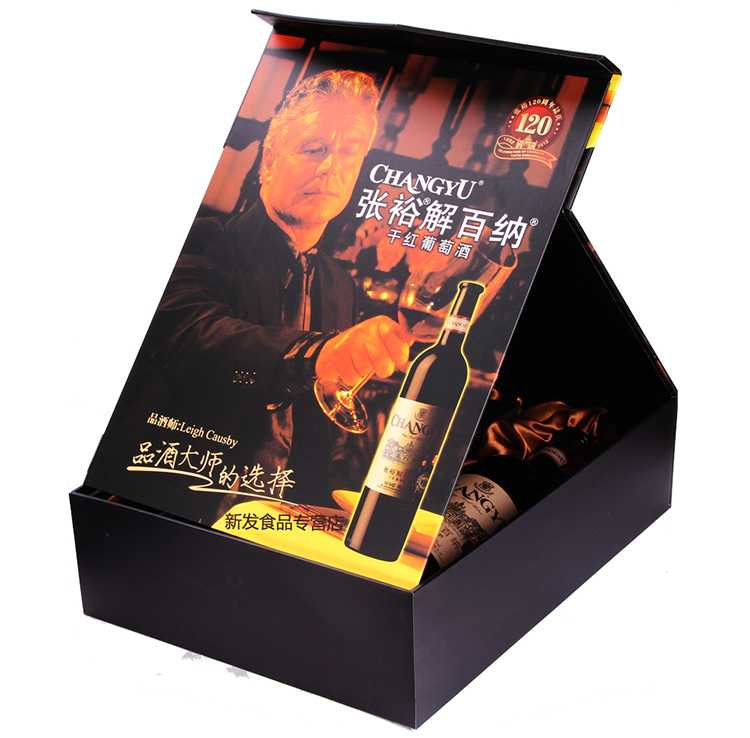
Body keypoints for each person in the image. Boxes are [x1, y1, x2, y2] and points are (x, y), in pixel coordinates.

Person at [143, 69, 410, 513]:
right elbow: (199, 335)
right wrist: (317, 354)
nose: (331, 167)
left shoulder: (341, 287)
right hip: (185, 501)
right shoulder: (202, 241)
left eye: (349, 152)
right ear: (269, 160)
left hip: (285, 520)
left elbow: (320, 441)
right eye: (314, 148)